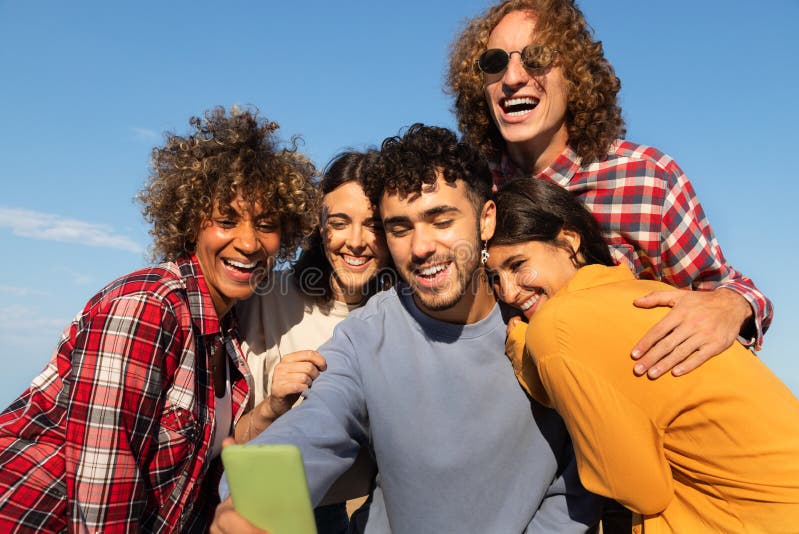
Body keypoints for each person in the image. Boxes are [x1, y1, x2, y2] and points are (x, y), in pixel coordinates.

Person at [210, 124, 601, 533]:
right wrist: (254, 499)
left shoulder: (542, 320)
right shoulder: (366, 335)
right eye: (399, 228)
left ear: (486, 220)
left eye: (440, 220)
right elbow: (318, 425)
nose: (420, 247)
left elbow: (575, 485)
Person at [0, 107, 319, 532]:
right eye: (226, 221)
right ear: (191, 223)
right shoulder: (148, 307)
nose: (248, 242)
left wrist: (272, 408)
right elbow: (103, 482)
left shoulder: (224, 329)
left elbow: (209, 448)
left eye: (266, 224)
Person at [446, 0, 773, 379]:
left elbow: (727, 292)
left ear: (576, 75)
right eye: (495, 62)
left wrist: (732, 306)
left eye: (536, 58)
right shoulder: (469, 191)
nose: (513, 77)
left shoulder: (647, 180)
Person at [487, 178, 799, 532]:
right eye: (494, 278)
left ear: (569, 241)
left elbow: (637, 490)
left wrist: (523, 350)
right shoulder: (646, 292)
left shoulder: (555, 327)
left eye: (517, 265)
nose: (508, 293)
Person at [234, 150, 393, 533]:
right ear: (318, 227)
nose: (356, 242)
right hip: (265, 505)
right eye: (339, 222)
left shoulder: (400, 316)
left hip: (366, 513)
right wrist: (274, 405)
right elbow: (230, 436)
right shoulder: (266, 296)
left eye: (372, 225)